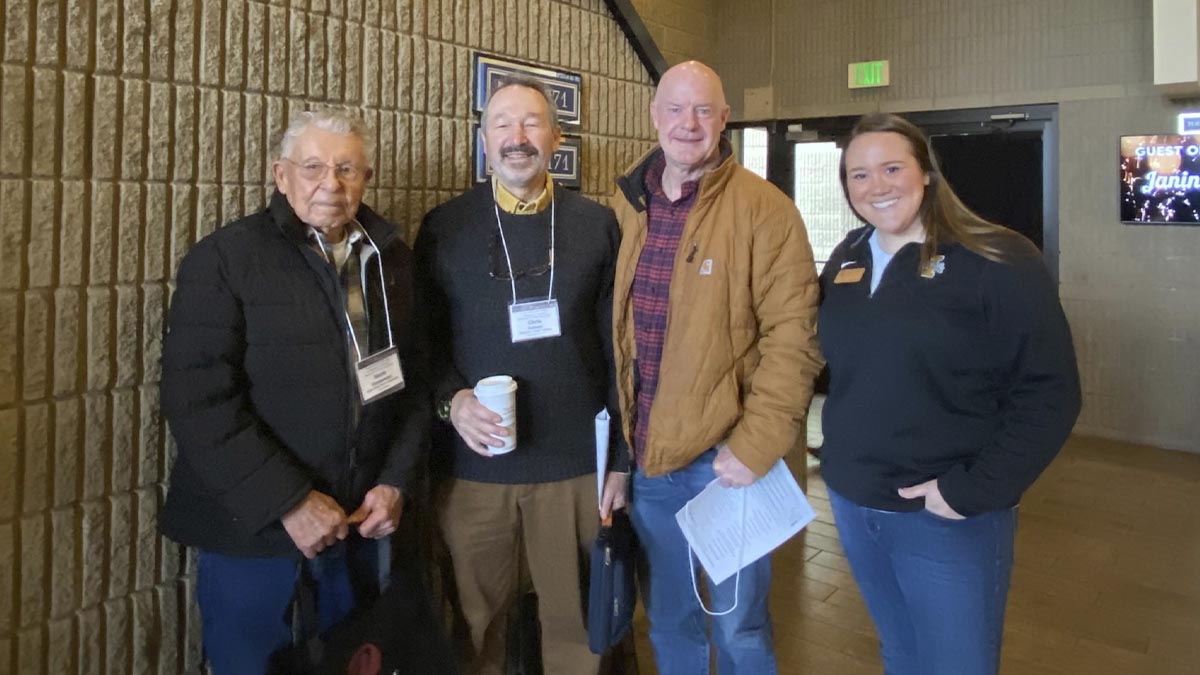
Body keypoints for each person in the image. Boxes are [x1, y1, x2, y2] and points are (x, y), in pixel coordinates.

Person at [158, 110, 429, 674]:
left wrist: (396, 480)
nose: (330, 183)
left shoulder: (391, 259)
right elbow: (198, 401)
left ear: (366, 177)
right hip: (256, 533)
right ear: (281, 175)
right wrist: (290, 502)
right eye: (313, 167)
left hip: (358, 525)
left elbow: (414, 382)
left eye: (347, 168)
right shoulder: (226, 259)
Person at [818, 112, 1082, 675]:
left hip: (946, 517)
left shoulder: (998, 259)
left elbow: (1051, 393)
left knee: (957, 664)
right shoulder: (848, 257)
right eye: (859, 175)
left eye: (892, 168)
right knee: (902, 653)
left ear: (927, 174)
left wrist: (973, 490)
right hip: (853, 500)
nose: (877, 185)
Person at [610, 61, 823, 674]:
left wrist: (756, 446)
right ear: (655, 118)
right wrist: (621, 459)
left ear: (725, 119)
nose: (689, 123)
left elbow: (794, 339)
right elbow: (619, 339)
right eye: (675, 109)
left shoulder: (767, 210)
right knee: (671, 626)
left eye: (704, 109)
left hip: (726, 466)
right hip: (649, 460)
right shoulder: (629, 205)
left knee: (740, 631)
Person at [415, 74, 628, 675]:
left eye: (532, 122)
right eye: (502, 124)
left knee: (576, 627)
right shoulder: (445, 227)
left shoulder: (595, 224)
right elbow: (423, 343)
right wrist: (449, 402)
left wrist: (622, 460)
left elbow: (621, 348)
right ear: (483, 142)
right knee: (475, 623)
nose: (517, 137)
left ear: (556, 136)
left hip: (576, 466)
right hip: (476, 466)